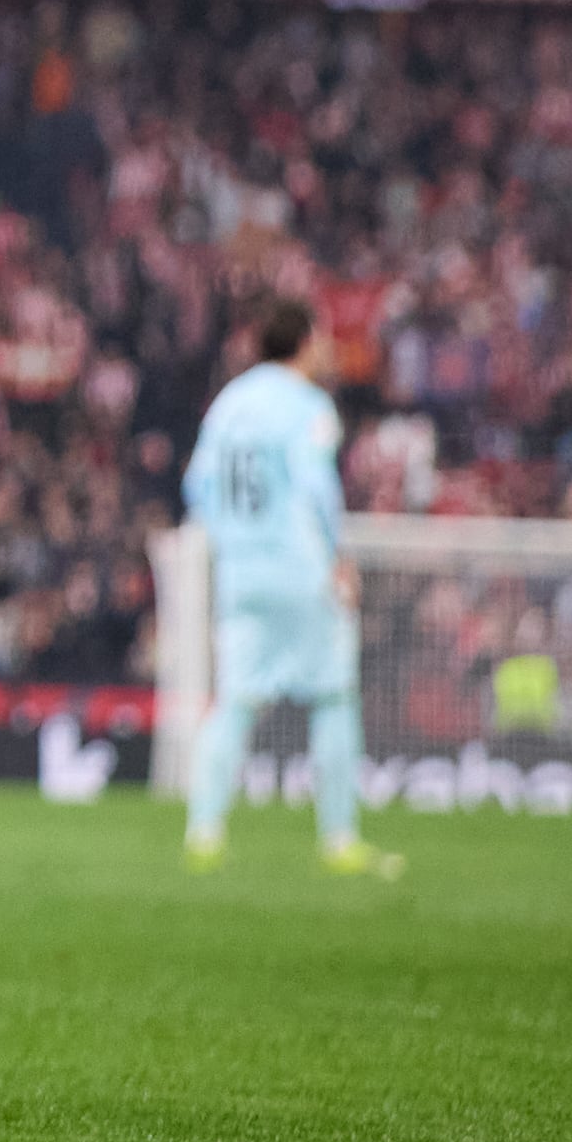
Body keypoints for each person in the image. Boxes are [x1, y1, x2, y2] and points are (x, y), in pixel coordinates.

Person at [181, 300, 393, 879]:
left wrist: (231, 540)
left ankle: (204, 831)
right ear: (302, 342)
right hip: (300, 569)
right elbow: (316, 484)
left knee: (234, 702)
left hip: (240, 573)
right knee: (332, 696)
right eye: (321, 337)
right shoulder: (306, 405)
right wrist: (339, 557)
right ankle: (340, 838)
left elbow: (195, 485)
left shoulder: (228, 404)